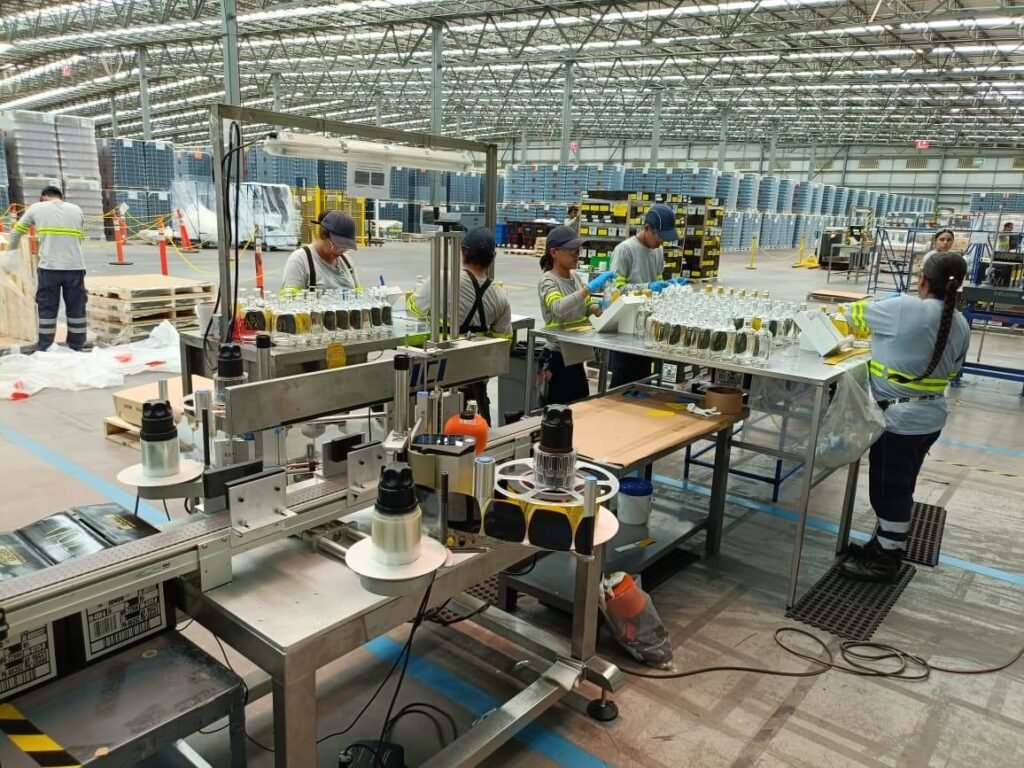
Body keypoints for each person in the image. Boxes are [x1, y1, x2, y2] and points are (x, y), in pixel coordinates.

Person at [842, 251, 970, 583]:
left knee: (889, 491)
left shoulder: (903, 308)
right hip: (930, 418)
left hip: (900, 420)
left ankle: (887, 560)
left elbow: (852, 315)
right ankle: (882, 544)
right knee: (901, 483)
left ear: (922, 280)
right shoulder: (960, 322)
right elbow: (953, 370)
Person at [408, 226, 512, 424]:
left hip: (440, 375)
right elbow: (505, 340)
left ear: (462, 251)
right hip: (476, 377)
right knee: (474, 428)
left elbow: (414, 309)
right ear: (493, 257)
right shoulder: (500, 295)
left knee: (437, 426)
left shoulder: (441, 280)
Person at [608, 203, 687, 387]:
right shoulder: (625, 250)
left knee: (643, 379)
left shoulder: (657, 251)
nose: (662, 242)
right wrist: (648, 287)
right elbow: (615, 290)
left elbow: (657, 279)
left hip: (647, 325)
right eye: (660, 236)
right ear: (647, 228)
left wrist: (669, 286)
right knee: (623, 381)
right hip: (626, 326)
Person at [0, 185, 88, 351]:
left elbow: (16, 233)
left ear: (44, 197)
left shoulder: (37, 208)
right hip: (75, 267)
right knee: (77, 307)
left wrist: (10, 256)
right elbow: (80, 238)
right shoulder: (77, 210)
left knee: (47, 307)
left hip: (49, 269)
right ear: (60, 196)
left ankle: (45, 346)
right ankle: (77, 345)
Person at [536, 226, 608, 405]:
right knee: (557, 411)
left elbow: (586, 306)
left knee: (580, 407)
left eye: (578, 250)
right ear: (554, 252)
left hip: (575, 354)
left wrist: (601, 307)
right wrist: (587, 290)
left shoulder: (575, 277)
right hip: (557, 357)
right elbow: (558, 307)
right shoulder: (548, 280)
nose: (577, 254)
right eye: (571, 250)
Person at [281, 211, 359, 293]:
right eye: (337, 245)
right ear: (322, 235)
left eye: (345, 247)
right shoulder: (299, 260)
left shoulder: (347, 261)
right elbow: (289, 298)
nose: (340, 252)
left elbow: (358, 292)